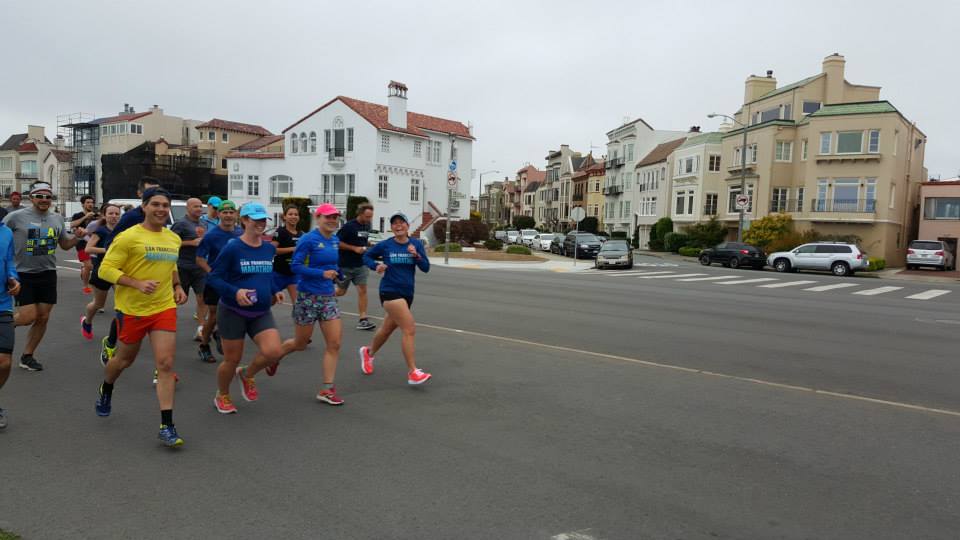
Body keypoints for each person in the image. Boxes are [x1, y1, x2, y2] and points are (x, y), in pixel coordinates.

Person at [94, 188, 188, 447]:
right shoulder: (128, 237)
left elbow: (172, 266)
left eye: (165, 205)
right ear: (144, 207)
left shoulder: (172, 238)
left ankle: (167, 425)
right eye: (155, 204)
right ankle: (107, 387)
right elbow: (105, 269)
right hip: (133, 310)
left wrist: (178, 286)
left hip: (163, 308)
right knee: (123, 361)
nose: (161, 209)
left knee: (166, 363)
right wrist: (135, 283)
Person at [253, 203, 344, 405]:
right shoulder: (308, 239)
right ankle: (274, 358)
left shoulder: (335, 240)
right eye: (327, 217)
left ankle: (327, 389)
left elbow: (334, 265)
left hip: (328, 297)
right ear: (318, 218)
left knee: (334, 343)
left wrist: (339, 277)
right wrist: (321, 274)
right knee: (300, 343)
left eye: (335, 217)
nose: (331, 221)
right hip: (308, 296)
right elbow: (295, 266)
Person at [205, 202, 284, 413]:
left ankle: (247, 374)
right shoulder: (233, 247)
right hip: (233, 311)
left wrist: (275, 289)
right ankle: (222, 394)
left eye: (262, 220)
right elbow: (214, 277)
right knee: (231, 359)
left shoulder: (268, 248)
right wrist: (235, 292)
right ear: (245, 221)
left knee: (274, 351)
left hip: (261, 311)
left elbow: (266, 274)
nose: (259, 223)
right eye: (254, 219)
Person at [4, 182, 81, 371]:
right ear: (31, 198)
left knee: (43, 317)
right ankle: (3, 326)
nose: (44, 200)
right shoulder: (15, 217)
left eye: (48, 197)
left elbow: (64, 244)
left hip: (47, 273)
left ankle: (27, 356)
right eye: (39, 196)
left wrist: (78, 237)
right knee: (27, 317)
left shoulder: (57, 218)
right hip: (22, 273)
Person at [358, 212, 431, 385]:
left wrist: (416, 256)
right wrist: (376, 265)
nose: (398, 226)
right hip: (389, 292)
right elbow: (366, 256)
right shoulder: (385, 245)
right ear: (391, 228)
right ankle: (413, 372)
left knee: (386, 330)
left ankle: (368, 353)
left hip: (407, 294)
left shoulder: (416, 244)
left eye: (401, 223)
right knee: (409, 328)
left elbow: (426, 267)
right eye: (394, 224)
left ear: (407, 226)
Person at [98, 176, 161, 365]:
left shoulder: (159, 216)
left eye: (157, 191)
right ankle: (110, 342)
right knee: (125, 312)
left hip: (151, 271)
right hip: (128, 272)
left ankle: (163, 365)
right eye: (149, 192)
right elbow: (111, 242)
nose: (154, 196)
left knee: (157, 313)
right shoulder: (132, 217)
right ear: (140, 195)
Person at [196, 200, 240, 363]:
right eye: (224, 212)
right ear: (219, 214)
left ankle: (220, 333)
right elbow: (199, 259)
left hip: (235, 282)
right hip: (216, 282)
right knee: (214, 316)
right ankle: (204, 345)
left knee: (232, 313)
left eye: (231, 212)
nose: (228, 215)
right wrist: (212, 273)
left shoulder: (240, 233)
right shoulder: (211, 235)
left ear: (236, 214)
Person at [80, 203, 121, 343]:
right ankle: (87, 321)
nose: (114, 216)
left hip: (119, 272)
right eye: (111, 213)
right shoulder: (101, 231)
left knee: (123, 303)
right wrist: (107, 251)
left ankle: (120, 333)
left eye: (117, 214)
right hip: (102, 271)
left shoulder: (123, 231)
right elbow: (88, 249)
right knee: (98, 304)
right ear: (105, 215)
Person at [336, 203, 376, 331]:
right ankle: (320, 298)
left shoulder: (367, 225)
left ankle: (363, 319)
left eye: (371, 216)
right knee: (341, 292)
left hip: (361, 264)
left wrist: (369, 245)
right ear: (360, 213)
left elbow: (362, 240)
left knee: (363, 290)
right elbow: (337, 242)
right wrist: (354, 248)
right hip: (346, 265)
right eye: (367, 216)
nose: (369, 219)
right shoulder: (349, 226)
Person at [170, 198, 207, 339]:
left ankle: (201, 328)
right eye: (195, 206)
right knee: (179, 299)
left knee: (202, 297)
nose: (198, 209)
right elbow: (170, 243)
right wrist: (190, 242)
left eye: (200, 206)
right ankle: (165, 324)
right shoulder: (180, 224)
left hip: (199, 267)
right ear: (188, 208)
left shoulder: (203, 223)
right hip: (183, 266)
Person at [0, 213, 21, 429]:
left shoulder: (5, 232)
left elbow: (9, 263)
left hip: (2, 303)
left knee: (4, 361)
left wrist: (14, 278)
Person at [271, 205, 304, 303]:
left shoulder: (301, 234)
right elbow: (272, 250)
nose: (293, 216)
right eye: (290, 214)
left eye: (296, 214)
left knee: (299, 305)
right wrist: (292, 249)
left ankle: (299, 318)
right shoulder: (280, 232)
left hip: (294, 275)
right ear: (284, 217)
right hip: (279, 274)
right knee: (269, 302)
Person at [70, 195, 98, 295]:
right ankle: (86, 286)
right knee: (89, 265)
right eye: (88, 202)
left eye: (92, 202)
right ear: (83, 204)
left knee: (92, 266)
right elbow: (72, 225)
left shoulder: (96, 215)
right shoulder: (78, 215)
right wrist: (85, 217)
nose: (90, 204)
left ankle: (84, 271)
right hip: (81, 244)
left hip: (95, 243)